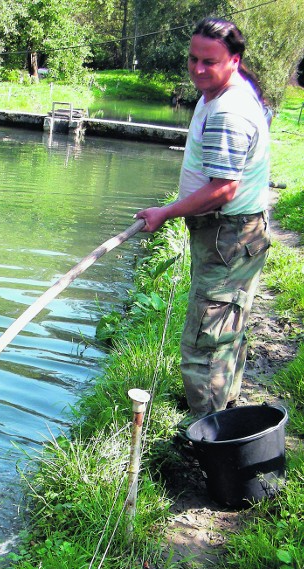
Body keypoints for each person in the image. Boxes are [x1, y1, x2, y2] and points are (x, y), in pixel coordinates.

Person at [135, 17, 271, 422]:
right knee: (227, 330)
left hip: (227, 237)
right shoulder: (223, 91)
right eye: (192, 59)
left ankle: (208, 438)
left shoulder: (229, 110)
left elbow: (222, 189)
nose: (196, 69)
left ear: (234, 60)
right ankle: (222, 414)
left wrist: (166, 212)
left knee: (204, 344)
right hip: (235, 235)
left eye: (207, 61)